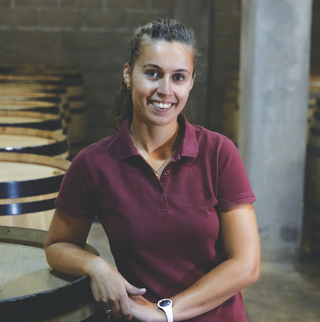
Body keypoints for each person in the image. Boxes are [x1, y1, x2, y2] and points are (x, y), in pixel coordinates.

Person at [44, 18, 260, 322]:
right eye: (153, 73)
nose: (165, 90)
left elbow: (246, 264)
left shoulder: (219, 153)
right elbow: (57, 245)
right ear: (128, 74)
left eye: (179, 77)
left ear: (191, 82)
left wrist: (165, 313)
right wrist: (96, 265)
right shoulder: (93, 164)